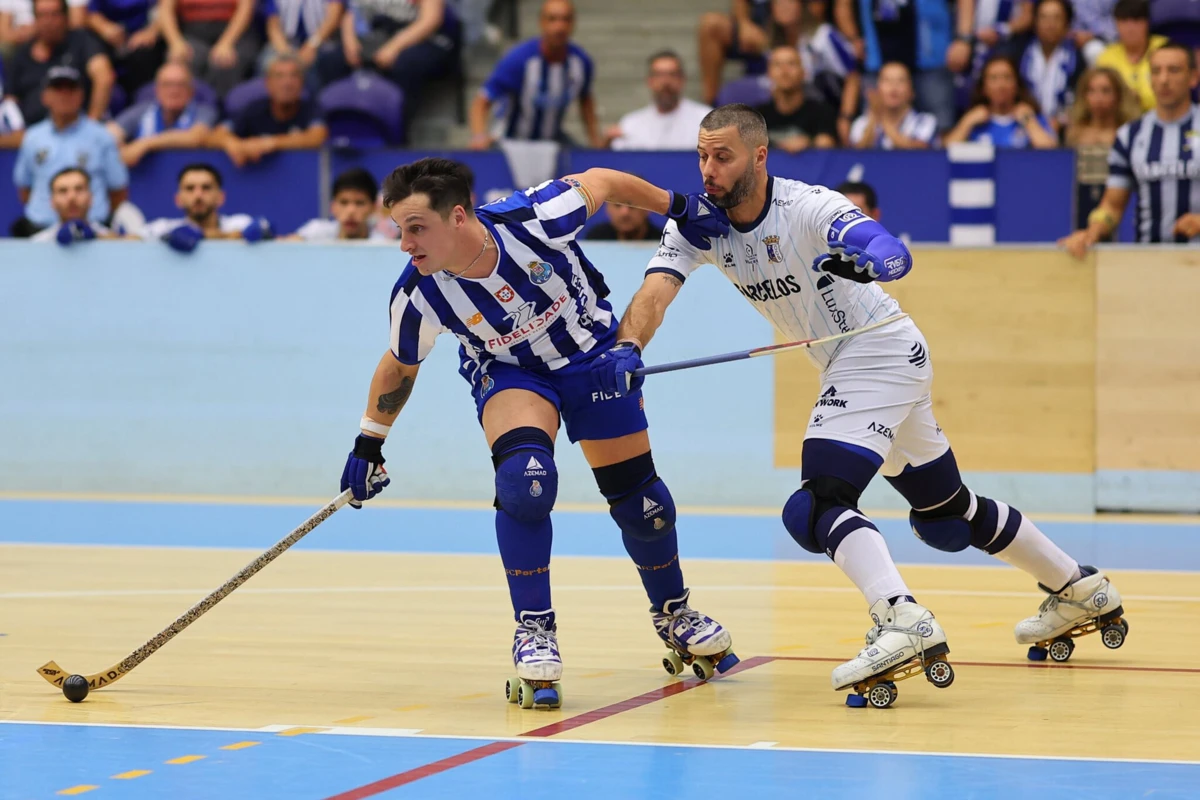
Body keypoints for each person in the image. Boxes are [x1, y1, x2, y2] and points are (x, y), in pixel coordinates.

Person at [595, 104, 1129, 706]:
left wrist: (873, 257)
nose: (708, 169)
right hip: (872, 361)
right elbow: (653, 293)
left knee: (816, 505)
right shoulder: (697, 224)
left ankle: (901, 618)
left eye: (722, 156)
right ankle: (1079, 587)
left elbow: (887, 249)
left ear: (759, 156)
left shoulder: (807, 207)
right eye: (701, 155)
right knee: (946, 516)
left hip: (877, 351)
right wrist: (628, 347)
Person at [338, 157, 738, 709]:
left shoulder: (536, 217)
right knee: (527, 482)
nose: (405, 244)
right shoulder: (418, 295)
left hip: (594, 357)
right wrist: (368, 442)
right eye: (399, 231)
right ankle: (534, 629)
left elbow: (602, 182)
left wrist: (676, 205)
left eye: (415, 228)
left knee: (645, 504)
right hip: (512, 375)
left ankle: (674, 613)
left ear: (458, 216)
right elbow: (400, 365)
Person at [1059, 41, 1200, 252]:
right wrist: (1092, 232)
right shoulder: (1130, 135)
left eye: (1174, 70)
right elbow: (1113, 205)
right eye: (1156, 71)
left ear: (1193, 77)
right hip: (1148, 261)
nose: (1164, 79)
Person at [11, 65, 127, 236]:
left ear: (81, 96)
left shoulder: (101, 136)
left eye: (71, 89)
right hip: (40, 228)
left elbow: (118, 190)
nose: (64, 95)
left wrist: (92, 217)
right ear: (45, 96)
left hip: (92, 229)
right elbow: (24, 189)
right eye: (58, 89)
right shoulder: (32, 137)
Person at [468, 0, 600, 149]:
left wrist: (595, 140)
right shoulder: (519, 59)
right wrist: (479, 136)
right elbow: (481, 101)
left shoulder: (580, 62)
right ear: (541, 23)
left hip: (553, 139)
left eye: (566, 19)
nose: (560, 27)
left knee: (587, 161)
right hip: (510, 139)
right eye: (552, 19)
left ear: (573, 23)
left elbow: (586, 100)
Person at [316, 0, 459, 126]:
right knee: (331, 60)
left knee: (404, 65)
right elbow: (350, 10)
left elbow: (431, 20)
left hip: (428, 39)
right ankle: (334, 127)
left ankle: (396, 132)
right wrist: (350, 43)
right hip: (379, 37)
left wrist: (394, 47)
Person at [206, 52, 327, 167]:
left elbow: (317, 137)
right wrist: (234, 145)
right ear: (267, 83)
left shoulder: (311, 108)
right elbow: (216, 135)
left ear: (302, 83)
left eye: (294, 76)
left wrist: (270, 143)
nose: (287, 83)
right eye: (279, 76)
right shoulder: (254, 109)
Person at [7, 0, 115, 124]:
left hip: (77, 128)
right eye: (42, 15)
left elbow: (104, 77)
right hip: (32, 134)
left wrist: (92, 124)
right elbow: (11, 100)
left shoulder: (82, 40)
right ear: (35, 19)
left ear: (66, 17)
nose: (48, 21)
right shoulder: (22, 54)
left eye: (55, 14)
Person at [1063, 66, 1141, 231]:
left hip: (1120, 204)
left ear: (1118, 95)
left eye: (1106, 91)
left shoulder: (1128, 134)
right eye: (1092, 91)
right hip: (1080, 200)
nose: (1098, 98)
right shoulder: (1074, 133)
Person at [141, 161, 273, 251]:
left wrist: (201, 236)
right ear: (178, 199)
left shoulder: (239, 223)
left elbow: (264, 228)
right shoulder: (163, 227)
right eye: (190, 188)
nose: (198, 195)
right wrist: (166, 238)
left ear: (221, 197)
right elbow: (129, 240)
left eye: (206, 188)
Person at [107, 61, 218, 166]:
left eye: (181, 85)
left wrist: (144, 144)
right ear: (157, 90)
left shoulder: (204, 112)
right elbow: (107, 136)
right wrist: (120, 149)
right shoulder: (142, 111)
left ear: (191, 90)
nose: (174, 91)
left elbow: (196, 137)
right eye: (167, 84)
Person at [943, 54, 1057, 147]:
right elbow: (944, 153)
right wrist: (967, 123)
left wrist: (1030, 123)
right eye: (994, 78)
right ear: (983, 88)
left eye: (1007, 77)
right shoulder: (974, 120)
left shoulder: (1030, 117)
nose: (1001, 85)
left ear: (1017, 85)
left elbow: (1050, 154)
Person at [606, 50, 711, 151]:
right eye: (659, 75)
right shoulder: (630, 124)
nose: (665, 82)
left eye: (672, 74)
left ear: (682, 79)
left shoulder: (706, 119)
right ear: (649, 81)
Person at [157, 0, 261, 97]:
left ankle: (221, 112)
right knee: (187, 59)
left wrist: (226, 43)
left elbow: (246, 10)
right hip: (193, 32)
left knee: (224, 64)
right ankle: (195, 110)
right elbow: (166, 11)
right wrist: (175, 42)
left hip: (234, 33)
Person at [754, 44, 837, 151]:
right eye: (777, 65)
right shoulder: (757, 117)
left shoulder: (822, 112)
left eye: (791, 64)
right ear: (769, 73)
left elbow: (826, 145)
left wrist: (809, 143)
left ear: (804, 72)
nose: (784, 71)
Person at [1018, 0, 1084, 133]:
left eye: (1057, 18)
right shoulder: (1019, 54)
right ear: (1035, 22)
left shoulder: (1079, 59)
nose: (1050, 24)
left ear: (1067, 24)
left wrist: (1061, 120)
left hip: (1065, 129)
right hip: (1023, 126)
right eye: (1044, 17)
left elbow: (1082, 101)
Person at [697, 0, 772, 106]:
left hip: (792, 28)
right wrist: (744, 23)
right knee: (711, 24)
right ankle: (710, 105)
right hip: (759, 31)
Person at [849, 61, 939, 148]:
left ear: (912, 92)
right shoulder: (861, 123)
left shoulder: (925, 121)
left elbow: (919, 153)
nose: (893, 86)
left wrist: (882, 117)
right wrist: (873, 119)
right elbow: (857, 156)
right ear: (877, 90)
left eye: (901, 80)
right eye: (887, 80)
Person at [1095, 0, 1166, 111]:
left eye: (1136, 20)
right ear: (1116, 24)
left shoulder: (1164, 49)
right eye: (1124, 21)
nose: (1130, 28)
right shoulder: (1106, 57)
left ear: (1147, 23)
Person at [86, 0, 164, 96]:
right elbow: (90, 13)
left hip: (143, 43)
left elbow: (164, 9)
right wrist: (104, 27)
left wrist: (151, 31)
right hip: (110, 41)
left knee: (144, 54)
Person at [289, 166, 390, 240]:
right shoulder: (315, 232)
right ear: (333, 206)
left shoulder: (382, 244)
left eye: (359, 203)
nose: (351, 211)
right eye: (344, 202)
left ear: (374, 207)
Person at [30, 165, 126, 241]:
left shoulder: (114, 241)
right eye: (63, 191)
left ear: (90, 198)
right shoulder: (36, 245)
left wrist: (97, 237)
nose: (72, 197)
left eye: (79, 189)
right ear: (52, 202)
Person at [584, 202, 663, 241]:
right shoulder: (596, 239)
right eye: (617, 205)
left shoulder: (664, 242)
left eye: (632, 205)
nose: (624, 213)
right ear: (607, 209)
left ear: (648, 209)